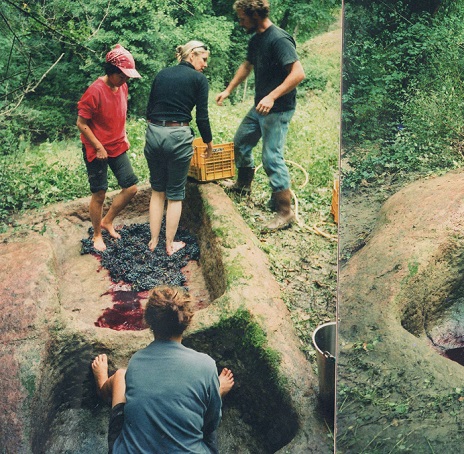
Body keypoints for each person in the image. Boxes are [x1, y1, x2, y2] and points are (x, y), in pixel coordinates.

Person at [91, 285, 235, 454]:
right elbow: (209, 424)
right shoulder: (206, 365)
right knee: (207, 413)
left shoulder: (137, 361)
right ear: (188, 321)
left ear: (149, 322)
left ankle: (102, 386)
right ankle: (216, 392)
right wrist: (216, 393)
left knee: (121, 375)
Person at [216, 0, 305, 231]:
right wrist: (228, 90)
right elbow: (247, 66)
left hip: (278, 108)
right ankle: (243, 186)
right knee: (240, 143)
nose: (240, 22)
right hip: (260, 107)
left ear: (254, 14)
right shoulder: (256, 39)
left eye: (241, 18)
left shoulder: (279, 39)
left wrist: (272, 96)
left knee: (271, 158)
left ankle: (285, 212)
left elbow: (298, 73)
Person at [145, 41, 214, 255]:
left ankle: (154, 240)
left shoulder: (162, 74)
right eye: (203, 59)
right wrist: (209, 142)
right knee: (175, 194)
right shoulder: (199, 80)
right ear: (192, 55)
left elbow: (149, 110)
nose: (205, 65)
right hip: (178, 136)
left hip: (154, 134)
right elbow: (202, 116)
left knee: (158, 191)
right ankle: (169, 244)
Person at [77, 44, 141, 252]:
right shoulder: (94, 92)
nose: (126, 80)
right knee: (100, 193)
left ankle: (107, 221)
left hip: (117, 145)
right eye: (122, 76)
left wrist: (124, 136)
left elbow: (120, 114)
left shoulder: (122, 86)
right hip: (97, 148)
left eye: (127, 77)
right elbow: (81, 123)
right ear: (111, 72)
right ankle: (97, 234)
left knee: (131, 187)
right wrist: (98, 146)